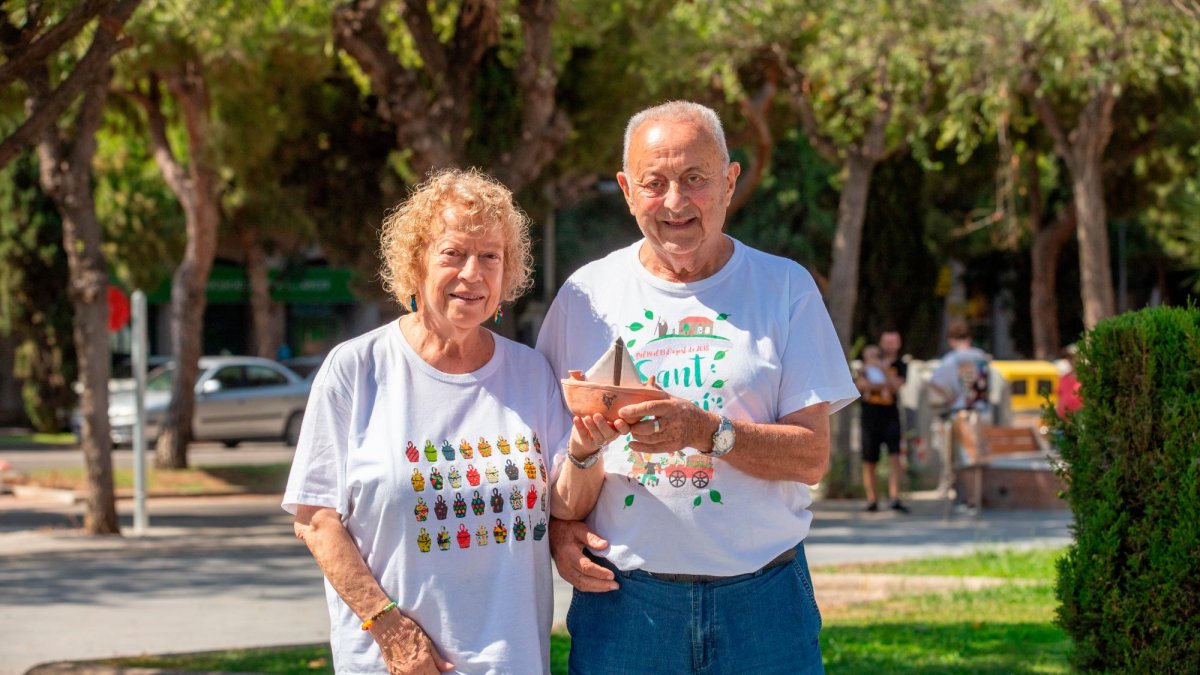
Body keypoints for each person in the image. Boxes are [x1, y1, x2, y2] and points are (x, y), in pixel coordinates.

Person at [537, 101, 859, 674]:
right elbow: (553, 452)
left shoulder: (785, 288)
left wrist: (708, 432)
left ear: (730, 181)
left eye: (695, 179)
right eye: (653, 183)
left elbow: (812, 456)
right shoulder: (584, 296)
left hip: (764, 601)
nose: (676, 202)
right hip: (626, 606)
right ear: (626, 190)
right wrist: (561, 531)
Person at [282, 169, 620, 674]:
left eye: (490, 256)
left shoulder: (529, 371)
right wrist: (391, 632)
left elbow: (564, 504)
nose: (472, 273)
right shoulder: (356, 369)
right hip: (398, 663)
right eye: (453, 253)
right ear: (416, 262)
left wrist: (586, 449)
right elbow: (315, 520)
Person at [927, 320, 991, 506]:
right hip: (983, 412)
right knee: (980, 458)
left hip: (963, 413)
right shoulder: (982, 357)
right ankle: (980, 497)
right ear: (969, 338)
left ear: (952, 340)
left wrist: (950, 397)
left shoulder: (952, 359)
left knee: (965, 459)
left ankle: (970, 500)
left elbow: (934, 382)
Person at [855, 332, 908, 513]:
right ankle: (872, 499)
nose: (890, 345)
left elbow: (896, 386)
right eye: (887, 341)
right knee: (869, 459)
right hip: (869, 417)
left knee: (895, 457)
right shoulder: (865, 365)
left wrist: (883, 371)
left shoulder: (900, 365)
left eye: (894, 342)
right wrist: (883, 384)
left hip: (890, 416)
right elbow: (861, 385)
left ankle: (895, 498)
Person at [1055, 343, 1083, 418]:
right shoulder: (1063, 378)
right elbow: (1059, 397)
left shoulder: (1085, 377)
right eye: (1068, 357)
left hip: (1080, 420)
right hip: (1063, 420)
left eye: (1073, 357)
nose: (1071, 360)